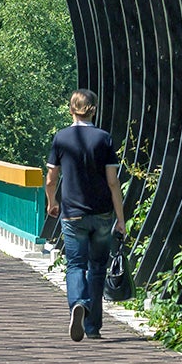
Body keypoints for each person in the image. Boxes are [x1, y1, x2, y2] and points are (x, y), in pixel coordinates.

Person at [45, 89, 127, 342]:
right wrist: (120, 220)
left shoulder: (61, 138)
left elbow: (50, 179)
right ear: (94, 109)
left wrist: (52, 202)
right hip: (102, 214)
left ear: (71, 109)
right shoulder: (104, 139)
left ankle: (78, 303)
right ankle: (93, 327)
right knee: (98, 268)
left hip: (72, 214)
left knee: (76, 265)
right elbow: (113, 183)